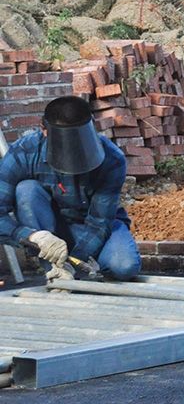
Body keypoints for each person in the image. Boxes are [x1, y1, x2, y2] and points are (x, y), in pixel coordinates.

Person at [0, 96, 141, 282]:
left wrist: (74, 261)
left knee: (124, 266)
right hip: (50, 227)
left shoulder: (112, 159)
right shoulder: (24, 153)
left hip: (92, 225)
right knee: (27, 190)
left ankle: (70, 268)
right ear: (44, 131)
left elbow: (100, 221)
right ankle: (53, 269)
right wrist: (33, 237)